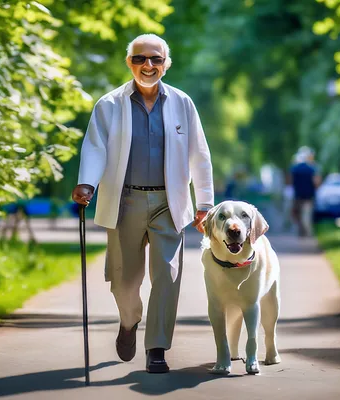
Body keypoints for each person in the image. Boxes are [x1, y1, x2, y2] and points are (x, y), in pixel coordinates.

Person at [71, 34, 214, 373]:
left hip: (170, 201)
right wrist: (86, 183)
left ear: (166, 63)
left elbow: (200, 155)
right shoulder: (108, 104)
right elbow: (95, 148)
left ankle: (157, 348)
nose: (148, 65)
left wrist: (204, 204)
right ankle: (129, 320)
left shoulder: (182, 103)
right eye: (140, 59)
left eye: (155, 59)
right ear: (129, 63)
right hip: (126, 200)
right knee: (124, 280)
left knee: (168, 274)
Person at [289, 146, 321, 237]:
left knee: (298, 214)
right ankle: (309, 234)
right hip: (309, 196)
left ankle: (301, 232)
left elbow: (291, 182)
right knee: (307, 215)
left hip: (297, 195)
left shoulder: (294, 169)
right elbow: (316, 182)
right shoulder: (312, 168)